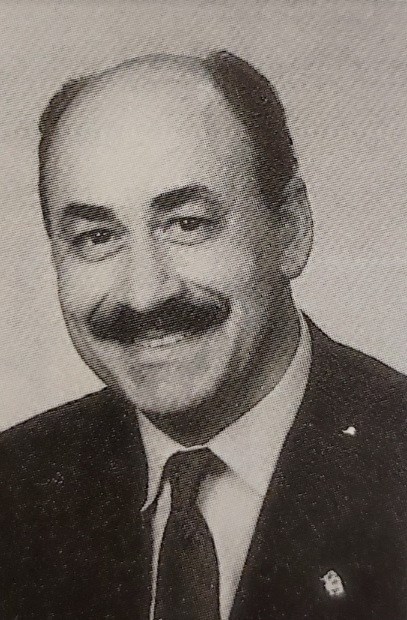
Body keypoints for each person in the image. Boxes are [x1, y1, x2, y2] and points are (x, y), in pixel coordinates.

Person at [0, 50, 406, 620]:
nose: (145, 294)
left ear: (289, 230)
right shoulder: (15, 485)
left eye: (187, 224)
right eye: (96, 237)